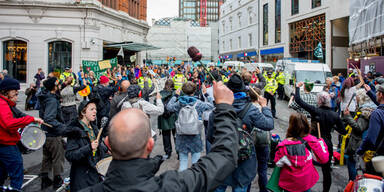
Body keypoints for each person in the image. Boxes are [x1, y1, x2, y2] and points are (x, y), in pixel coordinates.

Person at [81, 81, 239, 192]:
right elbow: (224, 157)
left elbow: (169, 107)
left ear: (108, 143)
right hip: (194, 137)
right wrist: (224, 106)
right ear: (150, 144)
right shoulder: (173, 186)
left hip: (183, 138)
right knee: (195, 161)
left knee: (184, 160)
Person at [208, 74, 274, 192]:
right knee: (240, 186)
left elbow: (210, 137)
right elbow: (269, 124)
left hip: (223, 157)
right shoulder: (251, 110)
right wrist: (264, 107)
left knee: (220, 185)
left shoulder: (217, 110)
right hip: (244, 158)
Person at [294, 82, 347, 192]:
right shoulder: (334, 115)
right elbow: (343, 131)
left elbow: (298, 101)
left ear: (319, 101)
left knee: (306, 166)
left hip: (312, 143)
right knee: (326, 171)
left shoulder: (315, 110)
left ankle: (305, 188)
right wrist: (333, 126)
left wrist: (297, 88)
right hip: (326, 144)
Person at [0, 78, 44, 191]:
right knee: (17, 172)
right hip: (6, 144)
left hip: (4, 144)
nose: (16, 92)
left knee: (2, 172)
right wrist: (30, 119)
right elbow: (9, 123)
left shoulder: (6, 104)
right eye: (14, 90)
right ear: (6, 91)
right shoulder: (2, 104)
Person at [274, 113, 329, 192]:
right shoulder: (313, 141)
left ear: (291, 126)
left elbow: (278, 163)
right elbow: (323, 159)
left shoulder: (284, 146)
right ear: (306, 125)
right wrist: (320, 143)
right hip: (305, 182)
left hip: (289, 184)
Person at [167, 81, 214, 171]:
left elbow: (169, 107)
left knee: (183, 162)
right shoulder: (198, 103)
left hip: (181, 136)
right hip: (195, 136)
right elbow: (212, 106)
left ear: (183, 91)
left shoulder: (179, 103)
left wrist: (175, 96)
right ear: (194, 91)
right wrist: (206, 94)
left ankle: (182, 183)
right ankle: (194, 182)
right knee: (195, 164)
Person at [64, 99, 108, 192]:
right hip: (83, 178)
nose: (95, 111)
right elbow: (70, 155)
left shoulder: (94, 128)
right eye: (91, 109)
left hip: (95, 174)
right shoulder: (75, 131)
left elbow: (99, 149)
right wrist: (89, 147)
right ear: (83, 112)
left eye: (95, 109)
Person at [37, 77, 66, 189]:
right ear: (54, 87)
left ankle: (45, 179)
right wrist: (62, 127)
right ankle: (57, 180)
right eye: (57, 84)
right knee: (57, 157)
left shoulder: (46, 97)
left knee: (47, 156)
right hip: (53, 133)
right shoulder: (52, 100)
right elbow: (49, 118)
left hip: (45, 132)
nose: (59, 86)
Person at [342, 88, 376, 181]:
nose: (355, 99)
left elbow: (359, 128)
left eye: (356, 97)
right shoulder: (370, 109)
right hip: (364, 142)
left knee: (352, 162)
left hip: (358, 142)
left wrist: (348, 117)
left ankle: (353, 183)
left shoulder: (365, 111)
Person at [357, 85, 384, 176]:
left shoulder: (377, 114)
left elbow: (370, 139)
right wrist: (369, 92)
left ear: (380, 94)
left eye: (377, 92)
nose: (375, 94)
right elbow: (381, 104)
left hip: (379, 158)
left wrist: (360, 150)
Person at [158, 79, 177, 159]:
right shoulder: (176, 93)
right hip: (173, 117)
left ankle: (167, 153)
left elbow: (157, 104)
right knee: (176, 136)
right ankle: (179, 152)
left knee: (166, 136)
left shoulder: (160, 94)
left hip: (163, 118)